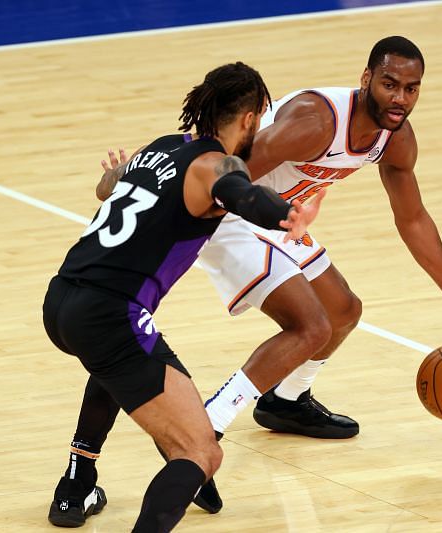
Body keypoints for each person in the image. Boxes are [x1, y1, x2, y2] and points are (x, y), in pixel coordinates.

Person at [97, 36, 442, 514]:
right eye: (390, 84)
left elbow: (412, 219)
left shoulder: (396, 139)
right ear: (366, 80)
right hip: (231, 210)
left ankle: (285, 401)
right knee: (311, 325)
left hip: (276, 217)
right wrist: (154, 197)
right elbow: (227, 175)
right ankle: (207, 426)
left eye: (412, 88)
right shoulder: (317, 122)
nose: (400, 98)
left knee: (343, 311)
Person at [42, 61, 325, 532]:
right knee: (200, 451)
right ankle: (174, 469)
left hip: (61, 299)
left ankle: (78, 482)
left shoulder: (159, 148)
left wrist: (116, 178)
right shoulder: (217, 164)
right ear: (251, 118)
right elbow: (241, 194)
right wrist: (287, 214)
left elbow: (106, 188)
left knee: (117, 366)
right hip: (111, 312)